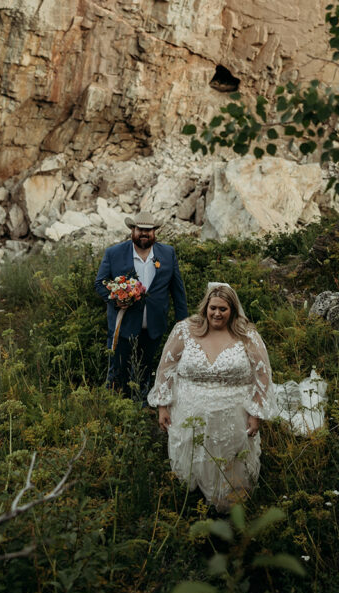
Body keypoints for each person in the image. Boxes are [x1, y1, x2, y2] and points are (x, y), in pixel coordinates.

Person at [147, 282, 276, 512]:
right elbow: (166, 367)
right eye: (213, 308)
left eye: (223, 309)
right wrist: (163, 406)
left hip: (233, 415)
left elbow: (262, 375)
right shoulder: (185, 330)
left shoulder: (247, 335)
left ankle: (229, 512)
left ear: (232, 310)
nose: (217, 313)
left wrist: (256, 413)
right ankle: (190, 507)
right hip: (188, 411)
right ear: (205, 307)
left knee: (229, 466)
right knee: (193, 464)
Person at [95, 211, 188, 400]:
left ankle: (142, 405)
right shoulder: (114, 253)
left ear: (154, 232)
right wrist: (115, 298)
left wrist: (182, 319)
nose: (144, 233)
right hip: (123, 325)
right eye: (140, 230)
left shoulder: (168, 253)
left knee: (146, 368)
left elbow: (177, 288)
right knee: (118, 369)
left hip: (154, 324)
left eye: (148, 230)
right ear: (132, 230)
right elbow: (100, 282)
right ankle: (114, 405)